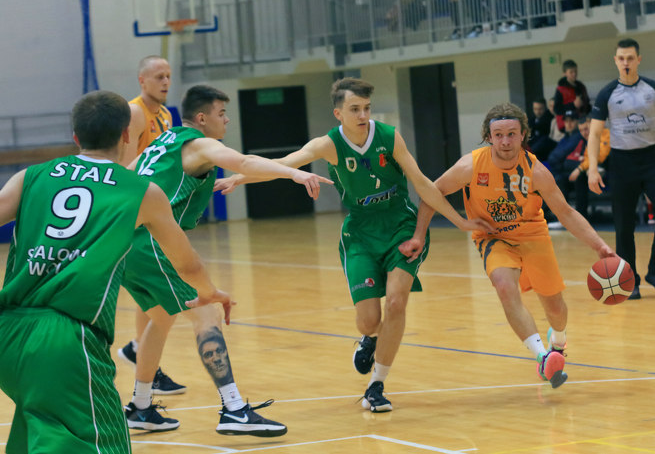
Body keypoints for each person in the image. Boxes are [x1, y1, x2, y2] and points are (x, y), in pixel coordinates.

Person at [215, 77, 492, 412]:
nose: (362, 115)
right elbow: (284, 164)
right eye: (354, 109)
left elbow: (422, 183)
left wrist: (460, 221)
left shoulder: (389, 137)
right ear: (338, 113)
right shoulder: (328, 144)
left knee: (396, 303)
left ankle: (376, 385)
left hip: (400, 226)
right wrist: (238, 177)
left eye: (366, 108)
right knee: (369, 320)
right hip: (360, 233)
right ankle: (369, 338)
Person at [0, 90, 231, 454]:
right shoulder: (140, 191)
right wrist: (210, 292)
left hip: (9, 333)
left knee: (33, 435)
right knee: (104, 445)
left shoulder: (31, 176)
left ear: (75, 136)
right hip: (68, 339)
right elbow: (187, 263)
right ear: (127, 135)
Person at [122, 84, 332, 435]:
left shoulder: (163, 142)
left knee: (161, 318)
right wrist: (296, 174)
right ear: (202, 118)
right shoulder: (198, 144)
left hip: (127, 243)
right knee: (206, 312)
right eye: (221, 113)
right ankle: (234, 408)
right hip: (151, 243)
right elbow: (245, 161)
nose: (227, 120)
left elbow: (126, 177)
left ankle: (140, 407)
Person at [402, 103, 615, 389]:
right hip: (493, 237)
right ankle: (542, 357)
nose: (505, 141)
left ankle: (558, 341)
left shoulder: (536, 171)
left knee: (555, 308)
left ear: (523, 134)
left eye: (511, 134)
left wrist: (599, 246)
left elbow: (565, 213)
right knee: (504, 286)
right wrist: (426, 233)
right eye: (499, 135)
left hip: (533, 234)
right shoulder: (470, 166)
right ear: (488, 136)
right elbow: (431, 193)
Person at [588, 38, 655, 300]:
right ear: (615, 61)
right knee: (624, 226)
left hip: (652, 160)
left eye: (630, 58)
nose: (626, 62)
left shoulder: (654, 88)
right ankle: (630, 280)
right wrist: (592, 168)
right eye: (621, 58)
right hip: (622, 163)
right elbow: (595, 134)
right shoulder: (607, 93)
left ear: (638, 59)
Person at [117, 55, 185, 396]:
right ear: (142, 81)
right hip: (135, 209)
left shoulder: (166, 114)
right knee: (158, 294)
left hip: (152, 207)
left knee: (149, 297)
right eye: (159, 76)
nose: (166, 82)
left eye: (168, 76)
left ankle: (138, 350)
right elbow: (127, 165)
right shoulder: (135, 112)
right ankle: (144, 363)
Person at [553, 59, 590, 132]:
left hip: (581, 122)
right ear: (564, 74)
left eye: (575, 71)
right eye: (571, 72)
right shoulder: (560, 89)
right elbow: (557, 109)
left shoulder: (581, 87)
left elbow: (587, 104)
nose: (574, 74)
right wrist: (573, 105)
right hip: (566, 125)